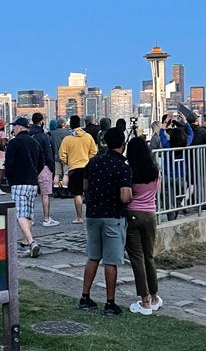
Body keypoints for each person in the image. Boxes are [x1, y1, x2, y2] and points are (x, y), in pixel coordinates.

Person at [78, 127, 132, 316]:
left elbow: (85, 186)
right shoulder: (123, 167)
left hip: (93, 214)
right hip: (113, 216)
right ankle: (110, 303)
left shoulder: (93, 162)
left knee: (93, 256)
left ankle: (85, 297)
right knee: (110, 260)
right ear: (123, 145)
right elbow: (125, 196)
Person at [125, 137, 163, 315]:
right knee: (149, 256)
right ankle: (154, 296)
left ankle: (144, 300)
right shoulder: (155, 171)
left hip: (132, 214)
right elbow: (158, 191)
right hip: (150, 214)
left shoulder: (130, 172)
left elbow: (127, 195)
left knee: (136, 258)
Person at [5, 117, 44, 258]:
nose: (13, 129)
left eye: (14, 127)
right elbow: (41, 163)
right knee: (29, 214)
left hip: (18, 181)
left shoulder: (14, 143)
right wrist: (34, 174)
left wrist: (10, 178)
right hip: (32, 182)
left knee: (20, 214)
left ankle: (32, 242)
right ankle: (26, 242)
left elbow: (9, 164)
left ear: (20, 127)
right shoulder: (35, 142)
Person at [59, 115, 97, 224]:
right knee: (88, 192)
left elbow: (61, 155)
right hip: (86, 167)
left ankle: (80, 217)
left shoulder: (67, 139)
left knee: (77, 193)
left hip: (74, 168)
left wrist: (69, 161)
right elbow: (94, 151)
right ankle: (92, 215)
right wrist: (87, 159)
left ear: (70, 125)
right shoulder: (88, 137)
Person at [28, 113, 59, 227]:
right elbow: (48, 153)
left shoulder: (29, 135)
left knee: (30, 195)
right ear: (41, 121)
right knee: (45, 194)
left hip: (31, 167)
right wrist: (51, 167)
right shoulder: (44, 136)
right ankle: (46, 218)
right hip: (44, 167)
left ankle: (29, 218)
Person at [50, 117, 70, 189]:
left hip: (56, 156)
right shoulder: (68, 133)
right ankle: (65, 189)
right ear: (63, 124)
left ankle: (56, 188)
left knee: (57, 174)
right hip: (65, 156)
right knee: (66, 174)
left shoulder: (52, 134)